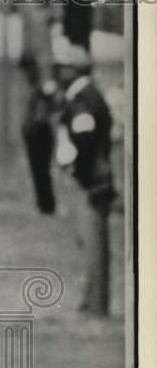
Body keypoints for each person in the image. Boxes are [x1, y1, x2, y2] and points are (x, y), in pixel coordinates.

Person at [51, 35, 116, 315]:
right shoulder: (85, 95)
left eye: (63, 67)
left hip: (90, 180)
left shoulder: (83, 98)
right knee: (90, 242)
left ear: (75, 70)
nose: (58, 73)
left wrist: (79, 170)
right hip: (93, 177)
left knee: (93, 244)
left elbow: (86, 139)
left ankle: (96, 305)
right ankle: (92, 301)